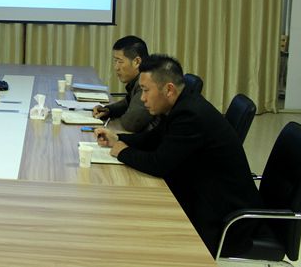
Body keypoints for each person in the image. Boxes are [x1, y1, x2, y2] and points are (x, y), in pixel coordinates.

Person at [94, 54, 264, 257]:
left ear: (169, 89)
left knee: (137, 222)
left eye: (146, 90)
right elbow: (154, 139)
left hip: (225, 220)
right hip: (203, 195)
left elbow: (159, 164)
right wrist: (118, 138)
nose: (142, 98)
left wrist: (123, 151)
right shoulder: (182, 103)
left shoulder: (190, 115)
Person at [93, 35, 154, 132]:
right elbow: (128, 102)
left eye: (120, 62)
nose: (116, 67)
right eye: (115, 61)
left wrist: (104, 127)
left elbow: (131, 124)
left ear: (137, 62)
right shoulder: (141, 78)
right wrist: (108, 110)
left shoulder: (147, 83)